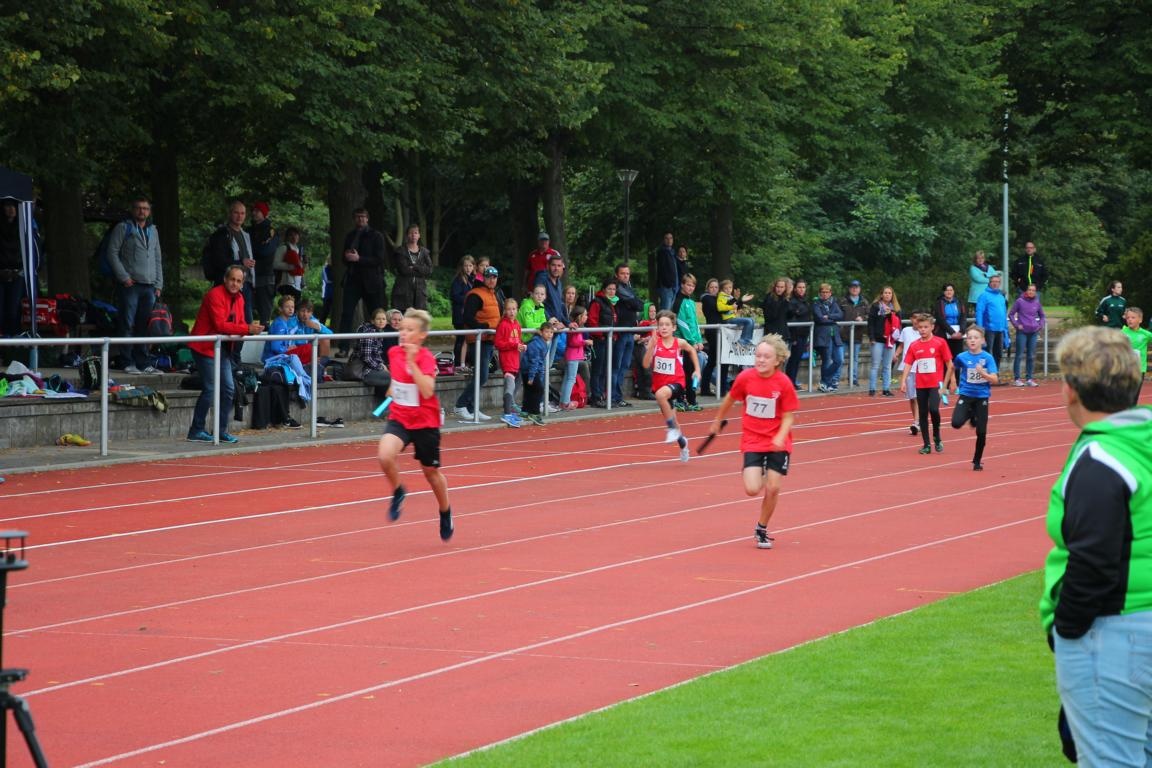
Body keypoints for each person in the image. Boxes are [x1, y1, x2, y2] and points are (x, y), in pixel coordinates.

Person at [1040, 326, 1151, 767]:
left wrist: (1066, 629)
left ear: (1071, 390)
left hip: (1114, 631)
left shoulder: (1101, 460)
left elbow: (1093, 560)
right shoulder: (1141, 439)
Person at [707, 334, 799, 550]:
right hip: (753, 439)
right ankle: (763, 470)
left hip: (777, 442)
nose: (761, 360)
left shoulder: (784, 383)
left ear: (777, 360)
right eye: (758, 355)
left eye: (766, 357)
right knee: (751, 489)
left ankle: (761, 528)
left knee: (773, 488)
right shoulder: (746, 378)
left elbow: (788, 416)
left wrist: (780, 436)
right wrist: (718, 420)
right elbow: (730, 398)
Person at [377, 308, 455, 542]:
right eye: (401, 329)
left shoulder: (426, 358)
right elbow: (396, 380)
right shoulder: (393, 352)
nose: (403, 333)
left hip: (425, 423)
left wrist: (412, 362)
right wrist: (392, 389)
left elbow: (427, 390)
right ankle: (399, 490)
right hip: (400, 418)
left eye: (409, 330)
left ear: (421, 335)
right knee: (385, 455)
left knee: (431, 473)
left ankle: (445, 511)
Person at [187, 265, 265, 443]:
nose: (235, 284)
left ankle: (220, 431)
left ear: (242, 284)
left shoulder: (240, 298)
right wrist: (247, 329)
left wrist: (248, 329)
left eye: (238, 281)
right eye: (232, 279)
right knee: (211, 388)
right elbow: (220, 325)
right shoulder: (214, 295)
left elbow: (240, 324)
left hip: (221, 348)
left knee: (229, 388)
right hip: (204, 346)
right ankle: (196, 430)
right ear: (225, 279)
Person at [106, 196, 164, 374]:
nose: (142, 211)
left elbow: (157, 257)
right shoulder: (123, 228)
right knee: (127, 323)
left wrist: (159, 284)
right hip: (130, 285)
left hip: (149, 286)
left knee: (144, 325)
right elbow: (112, 252)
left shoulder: (153, 230)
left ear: (149, 211)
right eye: (139, 208)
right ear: (133, 210)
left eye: (145, 208)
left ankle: (143, 362)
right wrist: (124, 277)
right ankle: (126, 361)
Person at [642, 309, 700, 463]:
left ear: (673, 328)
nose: (664, 327)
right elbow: (645, 364)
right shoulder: (655, 343)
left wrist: (697, 370)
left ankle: (671, 428)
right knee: (674, 420)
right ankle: (683, 444)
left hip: (677, 383)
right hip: (660, 385)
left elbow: (692, 350)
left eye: (667, 325)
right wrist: (651, 347)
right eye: (661, 324)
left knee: (660, 395)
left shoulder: (679, 343)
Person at [203, 200, 254, 362]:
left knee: (245, 321)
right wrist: (241, 262)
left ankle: (234, 358)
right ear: (230, 214)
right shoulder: (221, 234)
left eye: (242, 213)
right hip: (227, 286)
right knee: (226, 322)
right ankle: (227, 358)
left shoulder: (246, 235)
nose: (239, 216)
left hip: (245, 284)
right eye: (236, 212)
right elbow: (219, 260)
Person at [899, 312, 954, 455]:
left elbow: (949, 363)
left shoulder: (940, 342)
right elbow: (908, 363)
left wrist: (951, 381)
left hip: (936, 384)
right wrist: (903, 380)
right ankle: (926, 444)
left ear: (932, 327)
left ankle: (937, 435)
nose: (923, 330)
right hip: (921, 384)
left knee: (934, 409)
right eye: (920, 327)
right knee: (922, 414)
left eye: (925, 327)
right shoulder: (914, 345)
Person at [454, 265, 503, 421]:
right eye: (489, 277)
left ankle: (472, 407)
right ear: (484, 278)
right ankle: (461, 404)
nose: (492, 280)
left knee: (481, 375)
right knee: (482, 376)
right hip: (479, 339)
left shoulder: (493, 294)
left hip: (489, 340)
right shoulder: (476, 294)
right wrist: (485, 327)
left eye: (494, 277)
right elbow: (467, 317)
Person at [947, 325, 998, 471]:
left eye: (976, 338)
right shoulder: (962, 357)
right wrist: (951, 382)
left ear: (982, 340)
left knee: (981, 432)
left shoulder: (987, 358)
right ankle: (971, 414)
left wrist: (983, 374)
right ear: (966, 341)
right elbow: (952, 367)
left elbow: (995, 380)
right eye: (969, 338)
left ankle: (977, 460)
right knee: (956, 423)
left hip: (982, 397)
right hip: (966, 395)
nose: (972, 340)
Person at [338, 208, 388, 356]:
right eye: (358, 217)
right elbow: (344, 259)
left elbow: (379, 259)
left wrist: (359, 259)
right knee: (347, 314)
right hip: (353, 279)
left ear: (367, 218)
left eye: (363, 217)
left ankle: (379, 347)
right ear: (354, 219)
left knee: (377, 314)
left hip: (372, 281)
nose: (360, 219)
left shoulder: (376, 236)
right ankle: (343, 348)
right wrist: (347, 257)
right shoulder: (350, 236)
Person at [0, 199, 35, 340]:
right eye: (8, 206)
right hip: (1, 272)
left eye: (14, 206)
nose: (11, 209)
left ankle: (13, 343)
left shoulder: (24, 226)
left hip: (17, 273)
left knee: (13, 311)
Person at [612, 263, 644, 407]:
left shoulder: (628, 288)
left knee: (624, 365)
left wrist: (633, 302)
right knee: (617, 365)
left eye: (627, 273)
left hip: (630, 331)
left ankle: (618, 396)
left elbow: (639, 305)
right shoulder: (617, 288)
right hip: (621, 332)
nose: (625, 276)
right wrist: (633, 302)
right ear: (617, 275)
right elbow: (636, 303)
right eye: (622, 273)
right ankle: (613, 396)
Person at [672, 272, 704, 411]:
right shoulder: (679, 301)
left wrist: (699, 340)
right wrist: (691, 341)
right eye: (688, 285)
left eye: (692, 286)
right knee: (683, 372)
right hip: (682, 343)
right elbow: (682, 323)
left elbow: (694, 323)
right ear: (682, 285)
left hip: (692, 343)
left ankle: (691, 400)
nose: (690, 288)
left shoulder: (691, 302)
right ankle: (681, 399)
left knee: (692, 371)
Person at [494, 297, 525, 428]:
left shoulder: (517, 324)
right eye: (509, 309)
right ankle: (507, 414)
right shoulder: (503, 325)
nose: (511, 312)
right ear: (505, 311)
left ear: (517, 310)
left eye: (513, 309)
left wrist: (522, 345)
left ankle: (510, 410)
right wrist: (514, 345)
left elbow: (519, 340)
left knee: (514, 384)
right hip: (506, 359)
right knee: (510, 385)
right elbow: (498, 343)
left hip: (515, 359)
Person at [586, 278, 618, 408]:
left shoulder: (610, 303)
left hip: (608, 340)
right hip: (600, 340)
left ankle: (601, 396)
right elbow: (592, 321)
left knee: (605, 369)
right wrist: (601, 335)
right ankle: (596, 396)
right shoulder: (597, 302)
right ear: (604, 289)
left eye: (614, 289)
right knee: (597, 370)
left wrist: (613, 335)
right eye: (609, 289)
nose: (612, 291)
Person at [247, 201, 279, 325]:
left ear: (264, 213)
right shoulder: (248, 230)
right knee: (246, 309)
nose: (254, 213)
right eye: (253, 210)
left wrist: (251, 248)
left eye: (258, 211)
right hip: (248, 275)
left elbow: (265, 251)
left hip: (264, 275)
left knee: (264, 314)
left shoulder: (271, 231)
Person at [867, 286, 901, 396]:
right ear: (881, 294)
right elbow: (871, 323)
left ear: (892, 295)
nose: (887, 295)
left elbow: (898, 324)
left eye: (889, 293)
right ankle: (872, 389)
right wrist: (871, 337)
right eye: (885, 293)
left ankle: (886, 389)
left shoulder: (895, 308)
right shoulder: (876, 306)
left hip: (890, 340)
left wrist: (890, 315)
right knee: (875, 365)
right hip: (877, 340)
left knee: (887, 366)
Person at [1009, 283, 1045, 386]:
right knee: (1019, 355)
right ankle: (1017, 379)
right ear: (1026, 291)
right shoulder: (1020, 301)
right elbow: (1011, 314)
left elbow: (1042, 316)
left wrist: (1040, 325)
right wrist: (1017, 325)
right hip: (1022, 332)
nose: (1031, 292)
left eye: (1033, 290)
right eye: (1029, 290)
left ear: (1035, 292)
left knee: (1031, 356)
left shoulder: (1037, 302)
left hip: (1033, 332)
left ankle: (1029, 379)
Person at [391, 224, 432, 311]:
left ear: (419, 235)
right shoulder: (400, 251)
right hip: (403, 291)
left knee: (419, 317)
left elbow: (429, 270)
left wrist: (414, 267)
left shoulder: (424, 252)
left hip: (420, 292)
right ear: (407, 235)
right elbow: (403, 270)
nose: (413, 235)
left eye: (416, 233)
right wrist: (421, 271)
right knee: (403, 316)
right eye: (411, 233)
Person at [812, 282, 844, 392]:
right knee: (827, 360)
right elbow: (820, 318)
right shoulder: (816, 303)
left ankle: (824, 381)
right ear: (820, 293)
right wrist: (832, 319)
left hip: (835, 335)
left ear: (830, 293)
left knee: (839, 360)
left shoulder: (833, 303)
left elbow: (840, 315)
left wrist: (829, 316)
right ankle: (826, 383)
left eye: (827, 292)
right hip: (823, 336)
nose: (825, 294)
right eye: (823, 292)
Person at [893, 311, 922, 434]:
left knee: (918, 396)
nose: (916, 321)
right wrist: (896, 354)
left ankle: (917, 422)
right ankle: (917, 421)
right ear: (911, 319)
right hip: (908, 367)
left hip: (920, 368)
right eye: (914, 318)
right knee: (912, 397)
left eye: (919, 318)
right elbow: (901, 345)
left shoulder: (923, 332)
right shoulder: (906, 331)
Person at [522, 323, 555, 424]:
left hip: (531, 370)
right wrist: (531, 377)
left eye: (551, 332)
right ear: (541, 332)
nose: (549, 334)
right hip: (529, 370)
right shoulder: (536, 344)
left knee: (530, 391)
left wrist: (539, 374)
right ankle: (534, 413)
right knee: (538, 390)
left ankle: (525, 411)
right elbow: (534, 361)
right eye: (547, 332)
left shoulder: (544, 343)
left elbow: (540, 361)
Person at [559, 305, 591, 409]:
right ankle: (566, 402)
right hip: (573, 356)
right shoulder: (575, 327)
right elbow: (573, 342)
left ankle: (563, 401)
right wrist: (585, 342)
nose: (587, 317)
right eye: (585, 315)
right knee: (571, 379)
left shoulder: (577, 326)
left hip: (572, 356)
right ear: (579, 316)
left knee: (567, 378)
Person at [838, 279, 868, 387]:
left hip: (857, 335)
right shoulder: (842, 301)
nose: (854, 289)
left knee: (854, 359)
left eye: (857, 287)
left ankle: (853, 379)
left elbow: (869, 316)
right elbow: (837, 315)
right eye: (852, 287)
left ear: (860, 289)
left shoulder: (864, 302)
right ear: (849, 289)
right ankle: (836, 379)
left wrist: (863, 318)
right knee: (839, 359)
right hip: (843, 335)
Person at [975, 273, 1009, 370]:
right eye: (993, 281)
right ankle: (987, 373)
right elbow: (979, 312)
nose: (995, 283)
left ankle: (995, 373)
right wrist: (980, 330)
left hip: (1000, 329)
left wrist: (1006, 330)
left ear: (999, 283)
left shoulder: (1001, 297)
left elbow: (1004, 314)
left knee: (999, 353)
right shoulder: (984, 296)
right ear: (989, 283)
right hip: (988, 329)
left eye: (997, 282)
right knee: (988, 353)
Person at [449, 255, 477, 370]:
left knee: (468, 339)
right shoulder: (458, 280)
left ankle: (466, 362)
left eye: (470, 265)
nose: (468, 268)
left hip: (469, 315)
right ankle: (457, 363)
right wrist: (469, 299)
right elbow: (455, 296)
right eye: (466, 266)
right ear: (462, 267)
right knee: (461, 339)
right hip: (460, 315)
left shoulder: (473, 279)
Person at [785, 279, 812, 390]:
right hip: (795, 334)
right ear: (795, 289)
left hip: (804, 334)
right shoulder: (792, 301)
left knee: (797, 359)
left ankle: (793, 381)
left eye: (803, 287)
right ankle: (789, 382)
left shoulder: (805, 301)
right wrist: (794, 337)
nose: (801, 289)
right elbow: (792, 316)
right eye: (799, 287)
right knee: (793, 359)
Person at [1122, 307, 1151, 402]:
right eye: (1128, 317)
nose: (1130, 320)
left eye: (1133, 317)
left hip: (1139, 369)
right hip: (1125, 368)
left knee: (1134, 396)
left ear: (1140, 320)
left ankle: (1131, 410)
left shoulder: (1146, 334)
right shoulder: (1122, 332)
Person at [932, 283, 966, 360]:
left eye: (951, 290)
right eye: (947, 290)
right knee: (946, 356)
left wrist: (962, 331)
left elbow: (963, 316)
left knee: (958, 356)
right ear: (943, 292)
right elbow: (940, 319)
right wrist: (952, 332)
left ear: (954, 291)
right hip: (944, 332)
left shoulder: (959, 302)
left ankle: (956, 368)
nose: (949, 292)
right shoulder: (939, 303)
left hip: (958, 333)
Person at [718, 279, 755, 348]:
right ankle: (743, 341)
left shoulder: (730, 297)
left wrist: (742, 300)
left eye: (730, 288)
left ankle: (747, 340)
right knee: (748, 321)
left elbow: (736, 307)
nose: (728, 290)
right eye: (726, 288)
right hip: (727, 319)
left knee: (752, 320)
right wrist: (732, 304)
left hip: (732, 317)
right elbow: (721, 308)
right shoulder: (721, 297)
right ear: (722, 290)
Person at [272, 226, 306, 296]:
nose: (294, 237)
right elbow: (275, 264)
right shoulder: (283, 248)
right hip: (286, 283)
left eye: (295, 235)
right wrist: (292, 267)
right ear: (287, 237)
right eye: (291, 235)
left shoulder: (299, 250)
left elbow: (300, 267)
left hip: (297, 284)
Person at [654, 232, 679, 310]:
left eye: (671, 238)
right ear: (663, 240)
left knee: (669, 310)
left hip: (673, 286)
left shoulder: (672, 252)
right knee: (665, 311)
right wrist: (668, 284)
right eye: (667, 238)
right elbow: (663, 270)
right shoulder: (662, 252)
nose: (669, 240)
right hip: (666, 287)